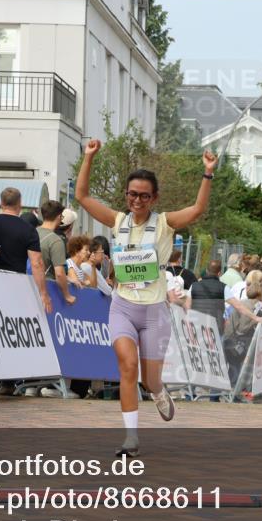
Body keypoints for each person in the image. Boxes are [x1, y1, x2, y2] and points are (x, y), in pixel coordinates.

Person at [76, 138, 218, 456]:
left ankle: (156, 390)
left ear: (153, 198)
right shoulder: (118, 221)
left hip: (154, 311)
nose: (137, 200)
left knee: (150, 379)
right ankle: (130, 438)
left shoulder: (165, 224)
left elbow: (197, 209)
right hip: (123, 307)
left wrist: (207, 173)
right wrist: (89, 157)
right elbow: (82, 196)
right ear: (126, 195)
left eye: (143, 195)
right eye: (132, 194)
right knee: (127, 366)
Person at [0, 187, 53, 313]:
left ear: (1, 203)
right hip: (16, 283)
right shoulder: (28, 229)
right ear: (20, 204)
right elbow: (37, 263)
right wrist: (43, 293)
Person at [38, 200, 76, 305]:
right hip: (48, 289)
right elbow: (59, 273)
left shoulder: (32, 232)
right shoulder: (56, 241)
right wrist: (67, 295)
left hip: (29, 284)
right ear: (59, 217)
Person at [188, 260, 226, 334]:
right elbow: (232, 308)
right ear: (219, 273)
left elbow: (187, 306)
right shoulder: (224, 287)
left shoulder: (194, 286)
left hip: (196, 325)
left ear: (206, 270)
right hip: (215, 327)